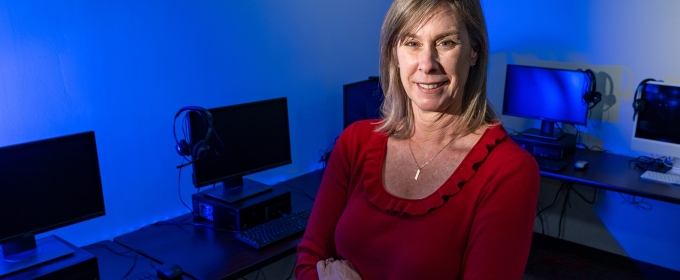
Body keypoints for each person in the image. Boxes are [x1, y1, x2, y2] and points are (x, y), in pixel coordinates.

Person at [295, 0, 539, 279]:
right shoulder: (354, 143)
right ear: (394, 53)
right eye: (412, 43)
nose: (427, 64)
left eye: (446, 43)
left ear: (474, 51)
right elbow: (308, 262)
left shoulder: (509, 171)